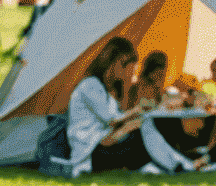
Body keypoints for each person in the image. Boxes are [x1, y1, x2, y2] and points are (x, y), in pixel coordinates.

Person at [66, 37, 196, 175]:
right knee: (144, 126)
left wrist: (137, 114)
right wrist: (138, 110)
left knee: (145, 126)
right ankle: (179, 165)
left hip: (103, 143)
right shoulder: (90, 85)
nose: (125, 72)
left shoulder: (106, 89)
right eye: (124, 65)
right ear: (113, 62)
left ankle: (175, 165)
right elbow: (113, 120)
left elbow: (116, 121)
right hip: (91, 151)